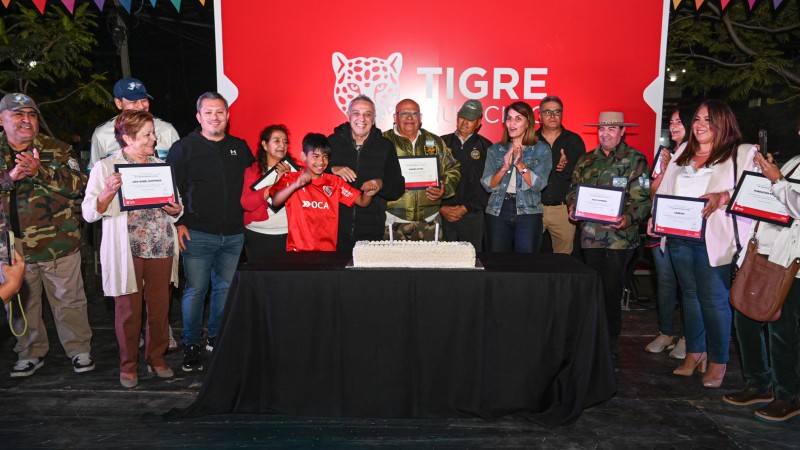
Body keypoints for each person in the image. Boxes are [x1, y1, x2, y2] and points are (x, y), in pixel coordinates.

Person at [654, 100, 756, 388]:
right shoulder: (681, 155)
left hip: (713, 239)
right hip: (678, 236)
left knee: (713, 300)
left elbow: (752, 191)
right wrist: (656, 217)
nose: (700, 125)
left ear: (723, 123)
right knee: (690, 296)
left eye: (708, 120)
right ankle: (695, 351)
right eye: (697, 118)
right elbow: (663, 191)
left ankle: (718, 359)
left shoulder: (740, 154)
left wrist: (721, 197)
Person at [82, 110, 183, 388]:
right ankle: (128, 365)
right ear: (127, 137)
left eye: (153, 132)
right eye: (148, 134)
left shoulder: (160, 165)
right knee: (128, 312)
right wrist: (105, 194)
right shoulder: (106, 168)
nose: (155, 138)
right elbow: (89, 213)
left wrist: (176, 210)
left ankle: (156, 358)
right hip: (126, 250)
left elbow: (177, 205)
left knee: (160, 308)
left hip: (160, 245)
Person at [0, 93, 95, 377]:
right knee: (22, 304)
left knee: (70, 301)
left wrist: (39, 171)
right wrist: (11, 177)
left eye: (30, 114)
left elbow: (80, 185)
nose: (26, 120)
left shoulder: (58, 149)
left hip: (59, 243)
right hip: (12, 249)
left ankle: (79, 349)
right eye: (18, 115)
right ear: (2, 119)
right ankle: (30, 353)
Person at [165, 92, 254, 371]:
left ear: (227, 115)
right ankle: (191, 344)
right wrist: (178, 223)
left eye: (219, 112)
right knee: (195, 290)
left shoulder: (239, 147)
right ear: (198, 117)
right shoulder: (183, 148)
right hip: (197, 233)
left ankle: (216, 338)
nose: (214, 117)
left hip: (233, 233)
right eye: (208, 112)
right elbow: (169, 190)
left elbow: (257, 180)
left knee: (224, 289)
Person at [722, 129, 800, 422]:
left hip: (792, 260)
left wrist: (777, 181)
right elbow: (771, 201)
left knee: (782, 329)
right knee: (745, 315)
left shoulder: (788, 169)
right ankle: (758, 383)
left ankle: (786, 396)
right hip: (764, 251)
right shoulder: (793, 161)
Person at [567, 111, 651, 356]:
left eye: (612, 128)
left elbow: (643, 199)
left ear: (622, 131)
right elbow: (573, 189)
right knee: (593, 290)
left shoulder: (636, 160)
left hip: (620, 239)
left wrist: (628, 219)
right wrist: (573, 206)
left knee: (611, 292)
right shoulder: (586, 160)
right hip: (591, 237)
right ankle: (592, 338)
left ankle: (609, 343)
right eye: (602, 128)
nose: (606, 133)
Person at [270, 133, 380, 251]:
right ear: (303, 156)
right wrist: (296, 185)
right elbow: (275, 202)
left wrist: (369, 191)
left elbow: (363, 202)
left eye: (325, 157)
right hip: (297, 252)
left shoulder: (334, 182)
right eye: (315, 156)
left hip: (328, 252)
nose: (321, 162)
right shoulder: (290, 178)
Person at [644, 106, 694, 359]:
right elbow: (653, 191)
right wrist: (663, 171)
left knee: (687, 287)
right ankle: (665, 332)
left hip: (683, 229)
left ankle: (687, 338)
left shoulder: (697, 154)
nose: (674, 126)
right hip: (660, 227)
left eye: (679, 122)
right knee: (665, 283)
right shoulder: (665, 154)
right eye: (671, 122)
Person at [328, 95, 404, 252]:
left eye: (368, 114)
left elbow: (397, 187)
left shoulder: (385, 146)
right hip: (333, 232)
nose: (361, 119)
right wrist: (332, 169)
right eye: (356, 113)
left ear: (374, 118)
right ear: (348, 115)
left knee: (367, 277)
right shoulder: (332, 142)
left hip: (371, 233)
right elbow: (313, 173)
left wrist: (380, 184)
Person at [383, 99, 460, 241]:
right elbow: (372, 174)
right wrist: (389, 188)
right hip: (394, 218)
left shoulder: (434, 141)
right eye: (404, 113)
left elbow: (452, 168)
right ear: (395, 117)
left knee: (431, 263)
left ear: (420, 117)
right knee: (393, 263)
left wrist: (444, 188)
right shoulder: (382, 141)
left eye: (414, 113)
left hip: (430, 220)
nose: (410, 118)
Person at [481, 101, 552, 253]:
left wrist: (521, 166)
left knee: (526, 264)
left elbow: (539, 184)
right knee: (497, 263)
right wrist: (504, 169)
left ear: (528, 123)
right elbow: (488, 185)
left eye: (518, 118)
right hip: (498, 210)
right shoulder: (496, 149)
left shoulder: (541, 149)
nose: (512, 123)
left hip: (528, 211)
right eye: (509, 118)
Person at [89, 77, 180, 170]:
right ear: (118, 103)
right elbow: (94, 171)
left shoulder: (167, 130)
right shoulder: (102, 133)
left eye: (144, 100)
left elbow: (180, 169)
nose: (141, 106)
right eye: (134, 102)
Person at [535, 96, 586, 254]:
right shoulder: (530, 140)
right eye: (547, 112)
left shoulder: (574, 141)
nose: (552, 115)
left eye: (557, 111)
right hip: (534, 208)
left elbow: (582, 176)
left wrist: (567, 166)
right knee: (528, 258)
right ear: (540, 116)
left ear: (562, 114)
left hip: (563, 210)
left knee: (564, 261)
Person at [440, 100, 492, 251]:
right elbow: (430, 178)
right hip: (443, 213)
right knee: (442, 262)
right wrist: (441, 207)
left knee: (472, 261)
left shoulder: (487, 147)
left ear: (479, 122)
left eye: (470, 119)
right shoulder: (440, 143)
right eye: (462, 117)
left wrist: (466, 207)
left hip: (473, 215)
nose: (465, 122)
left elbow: (491, 184)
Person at [241, 125, 298, 260]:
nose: (282, 145)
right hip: (258, 236)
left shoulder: (295, 170)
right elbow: (246, 204)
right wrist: (274, 185)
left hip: (288, 235)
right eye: (276, 140)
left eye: (285, 142)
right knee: (261, 280)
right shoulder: (253, 171)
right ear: (265, 145)